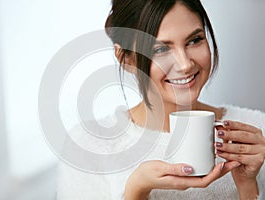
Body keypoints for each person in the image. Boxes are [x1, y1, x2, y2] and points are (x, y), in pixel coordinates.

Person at [57, 0, 265, 199]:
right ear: (125, 58)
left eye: (194, 40)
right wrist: (135, 190)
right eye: (161, 49)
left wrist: (247, 185)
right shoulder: (89, 147)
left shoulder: (255, 130)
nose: (184, 64)